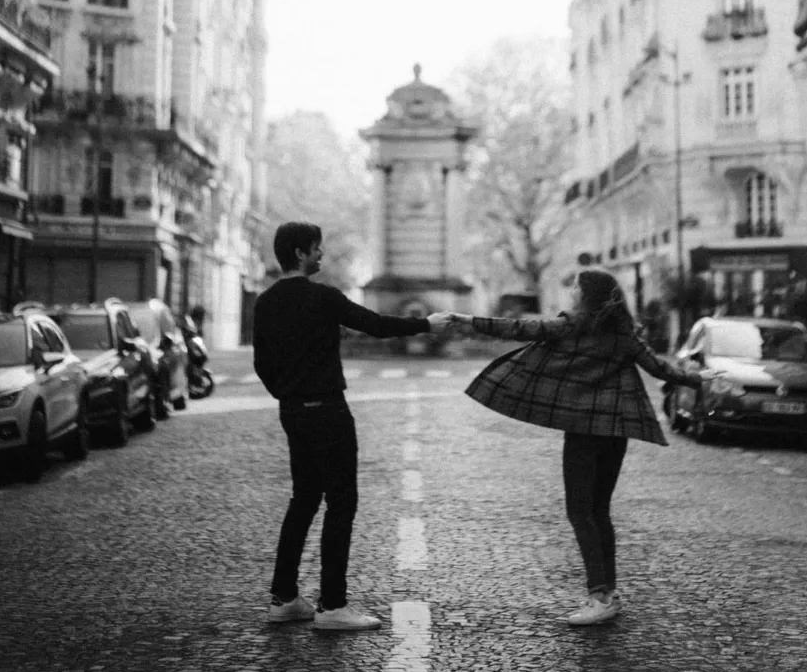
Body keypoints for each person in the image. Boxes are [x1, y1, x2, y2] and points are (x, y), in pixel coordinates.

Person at [445, 268, 699, 626]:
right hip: (615, 431)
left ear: (587, 295)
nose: (572, 293)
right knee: (600, 511)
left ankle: (600, 596)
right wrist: (700, 380)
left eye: (576, 288)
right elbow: (660, 370)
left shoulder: (571, 326)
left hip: (583, 432)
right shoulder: (624, 334)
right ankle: (608, 592)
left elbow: (518, 328)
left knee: (580, 512)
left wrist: (467, 320)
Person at [253, 221, 448, 633]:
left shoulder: (266, 302)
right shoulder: (322, 297)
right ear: (302, 252)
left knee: (303, 499)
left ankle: (284, 598)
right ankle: (332, 604)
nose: (322, 255)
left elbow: (261, 364)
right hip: (327, 408)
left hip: (293, 411)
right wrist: (426, 325)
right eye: (317, 248)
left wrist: (288, 395)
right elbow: (374, 324)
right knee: (341, 503)